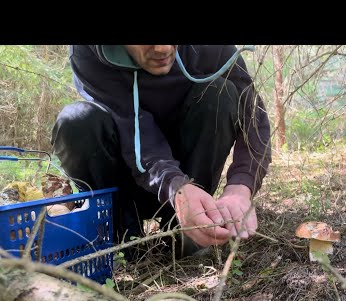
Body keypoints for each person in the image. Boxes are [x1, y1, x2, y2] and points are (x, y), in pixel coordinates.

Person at [51, 45, 271, 258]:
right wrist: (174, 186)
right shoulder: (90, 51)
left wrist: (240, 187)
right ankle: (121, 237)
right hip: (125, 179)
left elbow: (251, 112)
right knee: (76, 122)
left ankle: (191, 229)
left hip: (190, 176)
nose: (163, 49)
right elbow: (133, 128)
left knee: (220, 93)